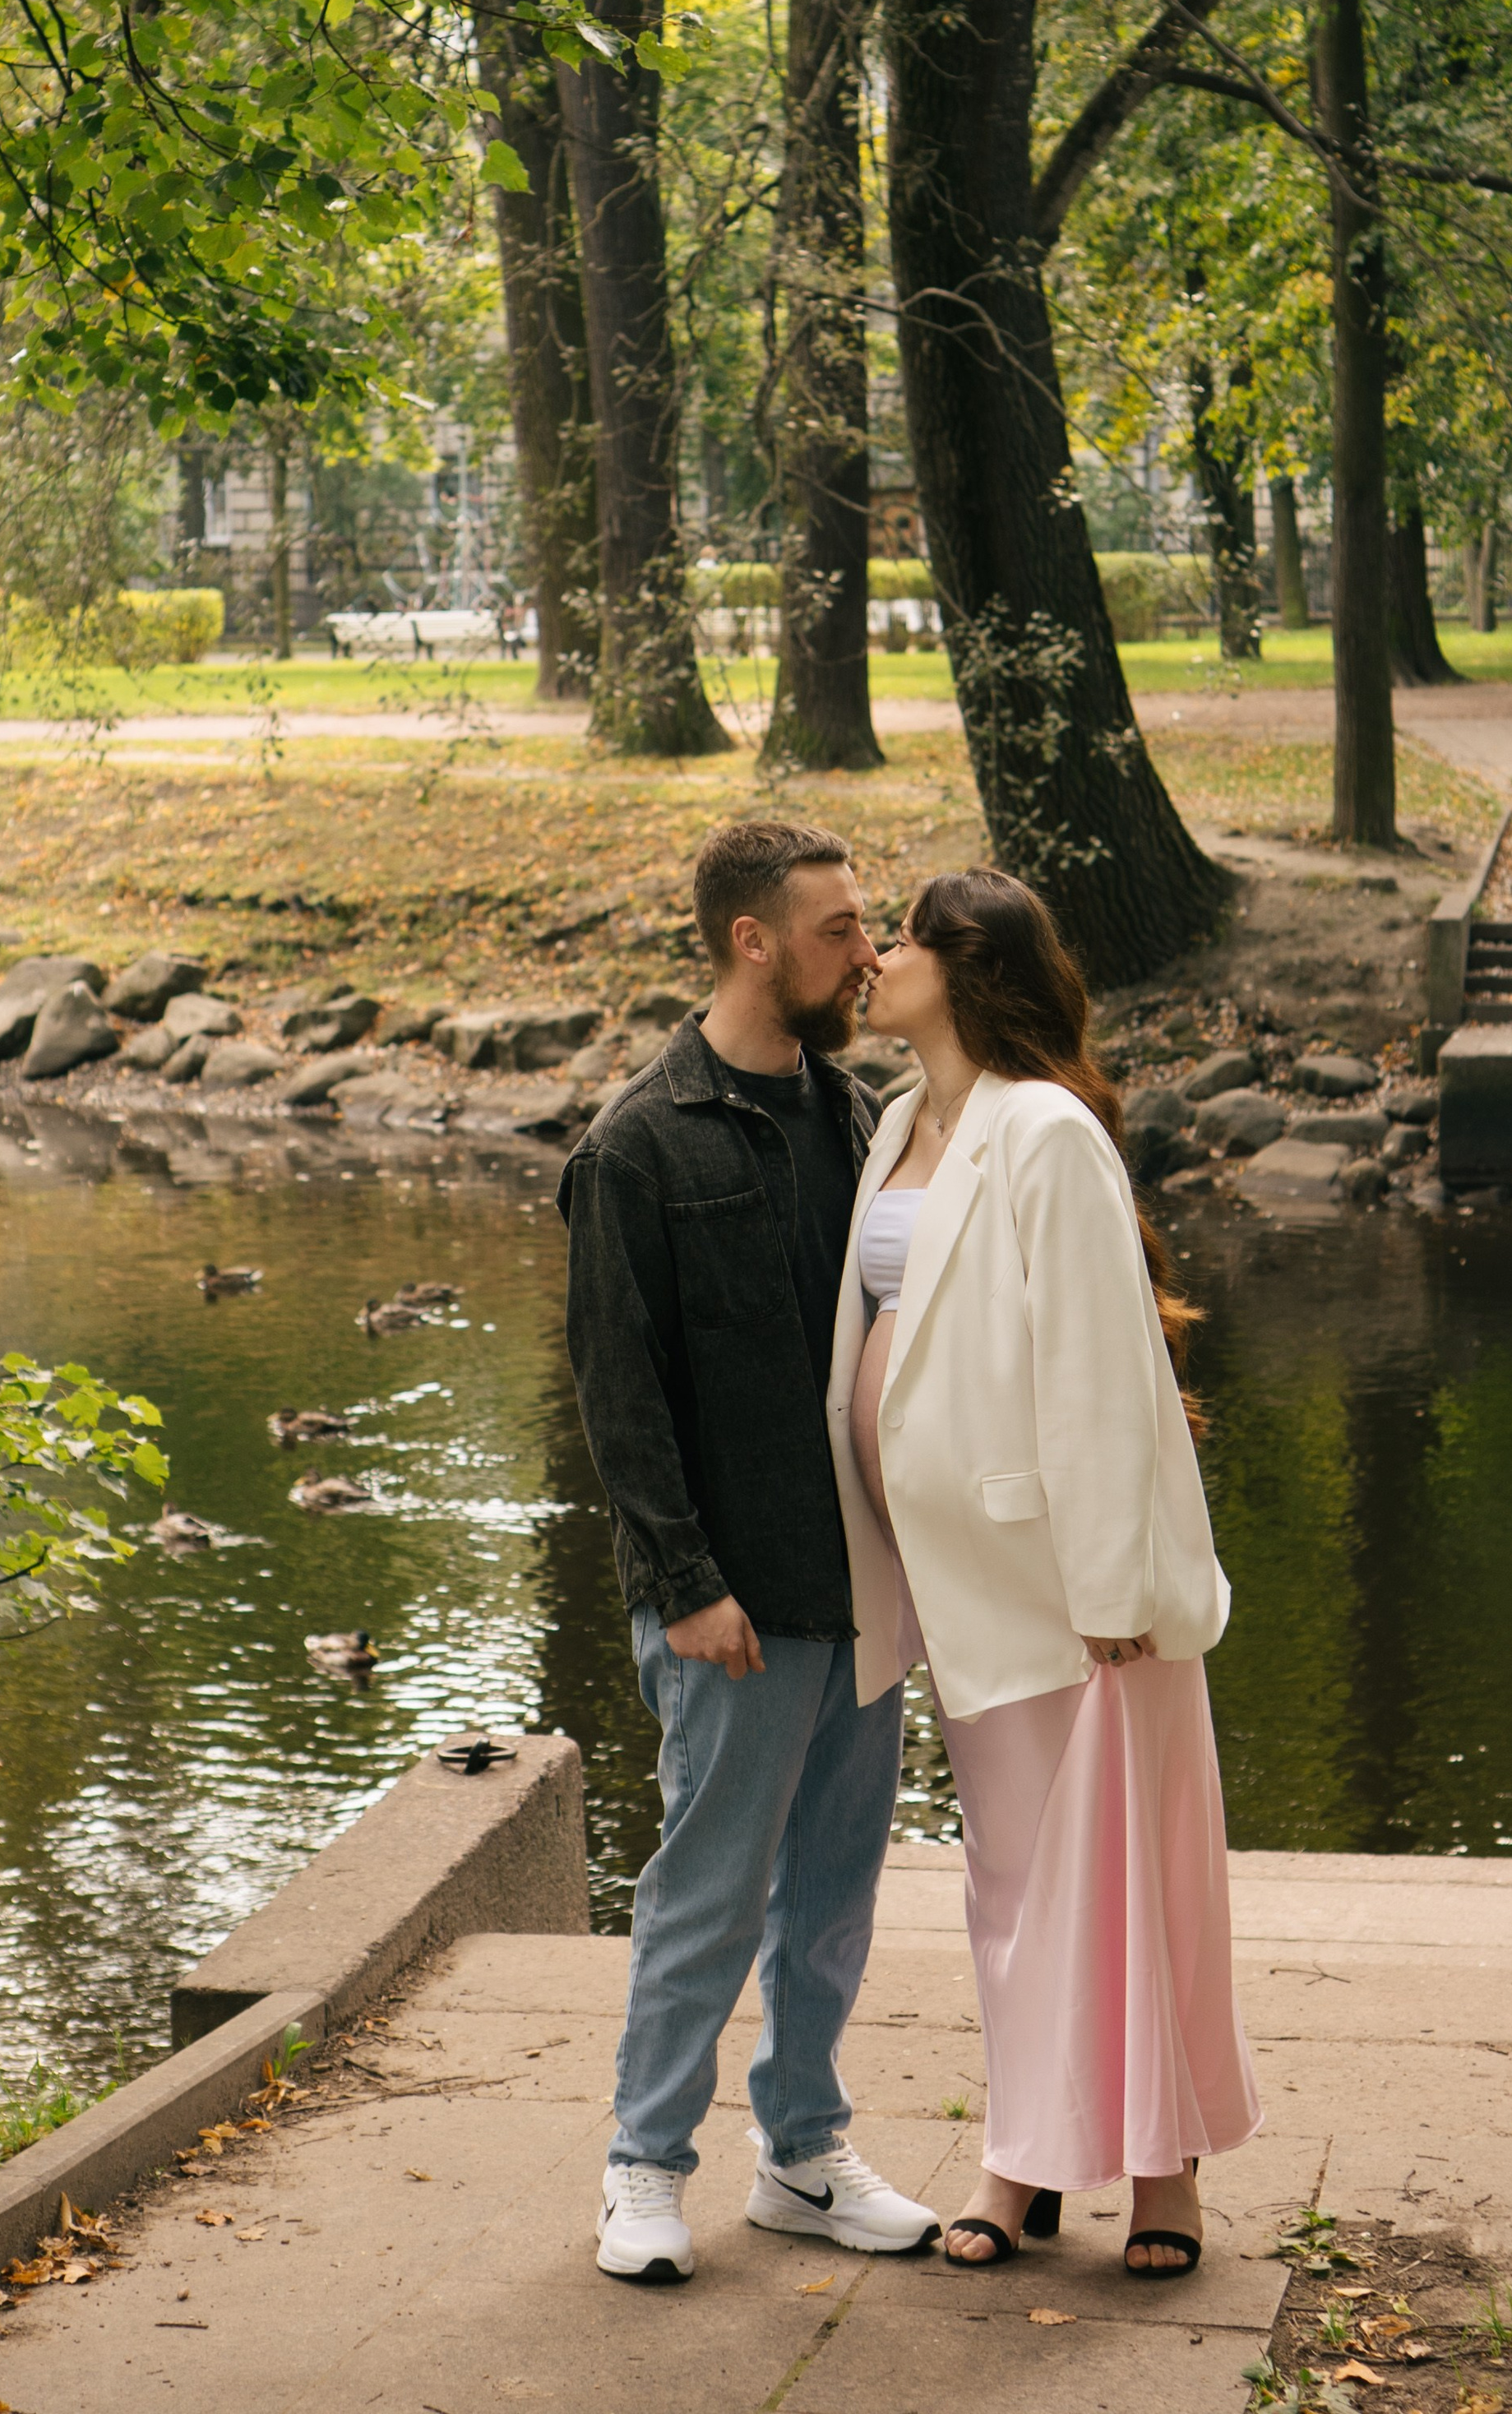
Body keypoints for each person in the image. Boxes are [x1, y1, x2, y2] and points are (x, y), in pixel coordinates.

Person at [826, 867, 1260, 2278]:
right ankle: (1030, 2148)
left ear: (966, 967)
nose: (876, 957)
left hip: (1071, 1594)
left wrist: (1114, 1589)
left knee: (1122, 1878)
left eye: (901, 939)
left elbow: (1097, 1368)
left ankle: (1161, 2175)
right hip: (951, 1580)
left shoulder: (1047, 1130)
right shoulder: (901, 1119)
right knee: (1010, 1886)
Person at [558, 819, 941, 2284]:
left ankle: (801, 2157)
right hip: (733, 1606)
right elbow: (620, 1395)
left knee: (835, 1896)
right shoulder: (637, 1145)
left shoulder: (859, 1120)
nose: (868, 948)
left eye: (865, 925)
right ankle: (644, 2169)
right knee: (708, 1897)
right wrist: (687, 1586)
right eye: (842, 928)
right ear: (753, 941)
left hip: (862, 1592)